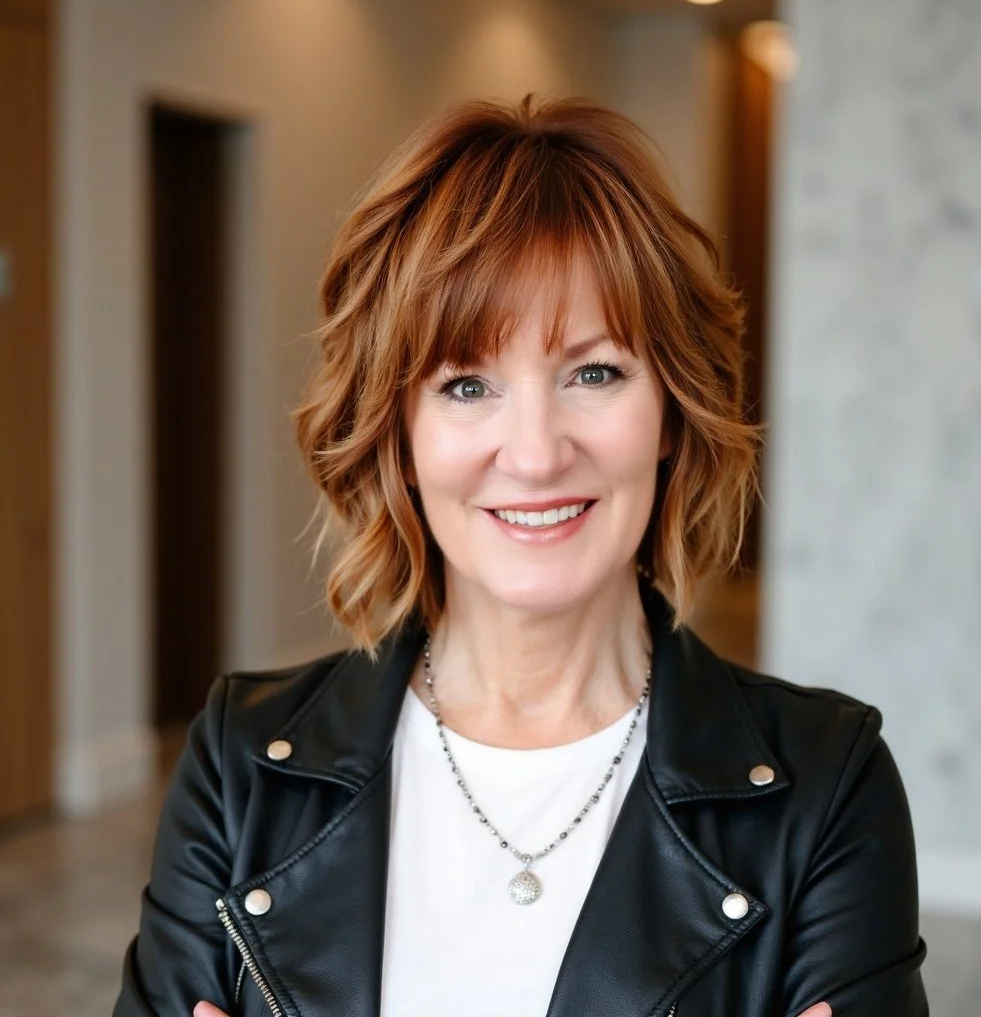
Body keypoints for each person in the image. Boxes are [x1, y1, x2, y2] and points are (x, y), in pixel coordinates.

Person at [114, 96, 927, 1017]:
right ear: (399, 436)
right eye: (467, 384)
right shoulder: (240, 763)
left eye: (595, 372)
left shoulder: (827, 786)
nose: (536, 453)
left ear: (671, 412)